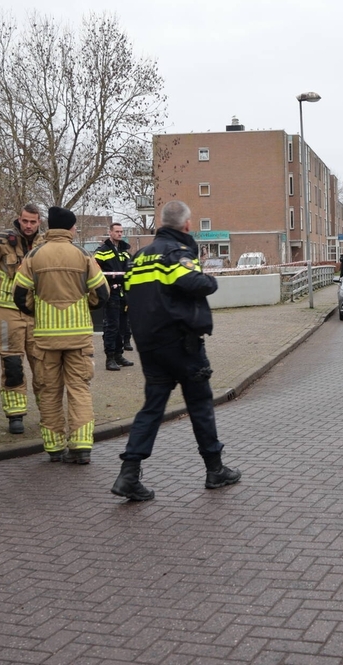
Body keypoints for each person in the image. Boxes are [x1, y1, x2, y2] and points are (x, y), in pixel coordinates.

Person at [111, 200, 241, 501]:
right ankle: (215, 469)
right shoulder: (178, 253)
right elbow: (194, 283)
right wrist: (210, 278)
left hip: (149, 345)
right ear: (186, 225)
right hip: (182, 343)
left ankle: (129, 473)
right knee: (200, 405)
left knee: (152, 408)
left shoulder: (139, 257)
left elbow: (134, 294)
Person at [13, 206, 110, 464]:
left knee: (49, 391)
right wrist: (82, 306)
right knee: (79, 389)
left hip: (45, 339)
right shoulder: (83, 255)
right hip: (78, 338)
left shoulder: (34, 256)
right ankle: (81, 447)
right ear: (69, 228)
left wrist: (40, 310)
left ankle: (54, 447)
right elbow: (102, 293)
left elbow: (20, 296)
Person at [0, 203, 44, 434]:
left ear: (39, 222)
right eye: (25, 221)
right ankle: (15, 415)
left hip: (35, 311)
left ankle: (48, 411)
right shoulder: (1, 241)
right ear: (19, 219)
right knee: (12, 364)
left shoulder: (46, 243)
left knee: (42, 364)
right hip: (6, 309)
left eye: (33, 221)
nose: (29, 225)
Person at [94, 222, 135, 371]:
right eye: (116, 231)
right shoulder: (102, 251)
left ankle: (119, 355)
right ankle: (109, 358)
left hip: (123, 293)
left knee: (122, 327)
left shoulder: (124, 252)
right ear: (110, 232)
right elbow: (96, 272)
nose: (119, 234)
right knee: (112, 326)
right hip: (111, 293)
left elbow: (129, 270)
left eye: (121, 231)